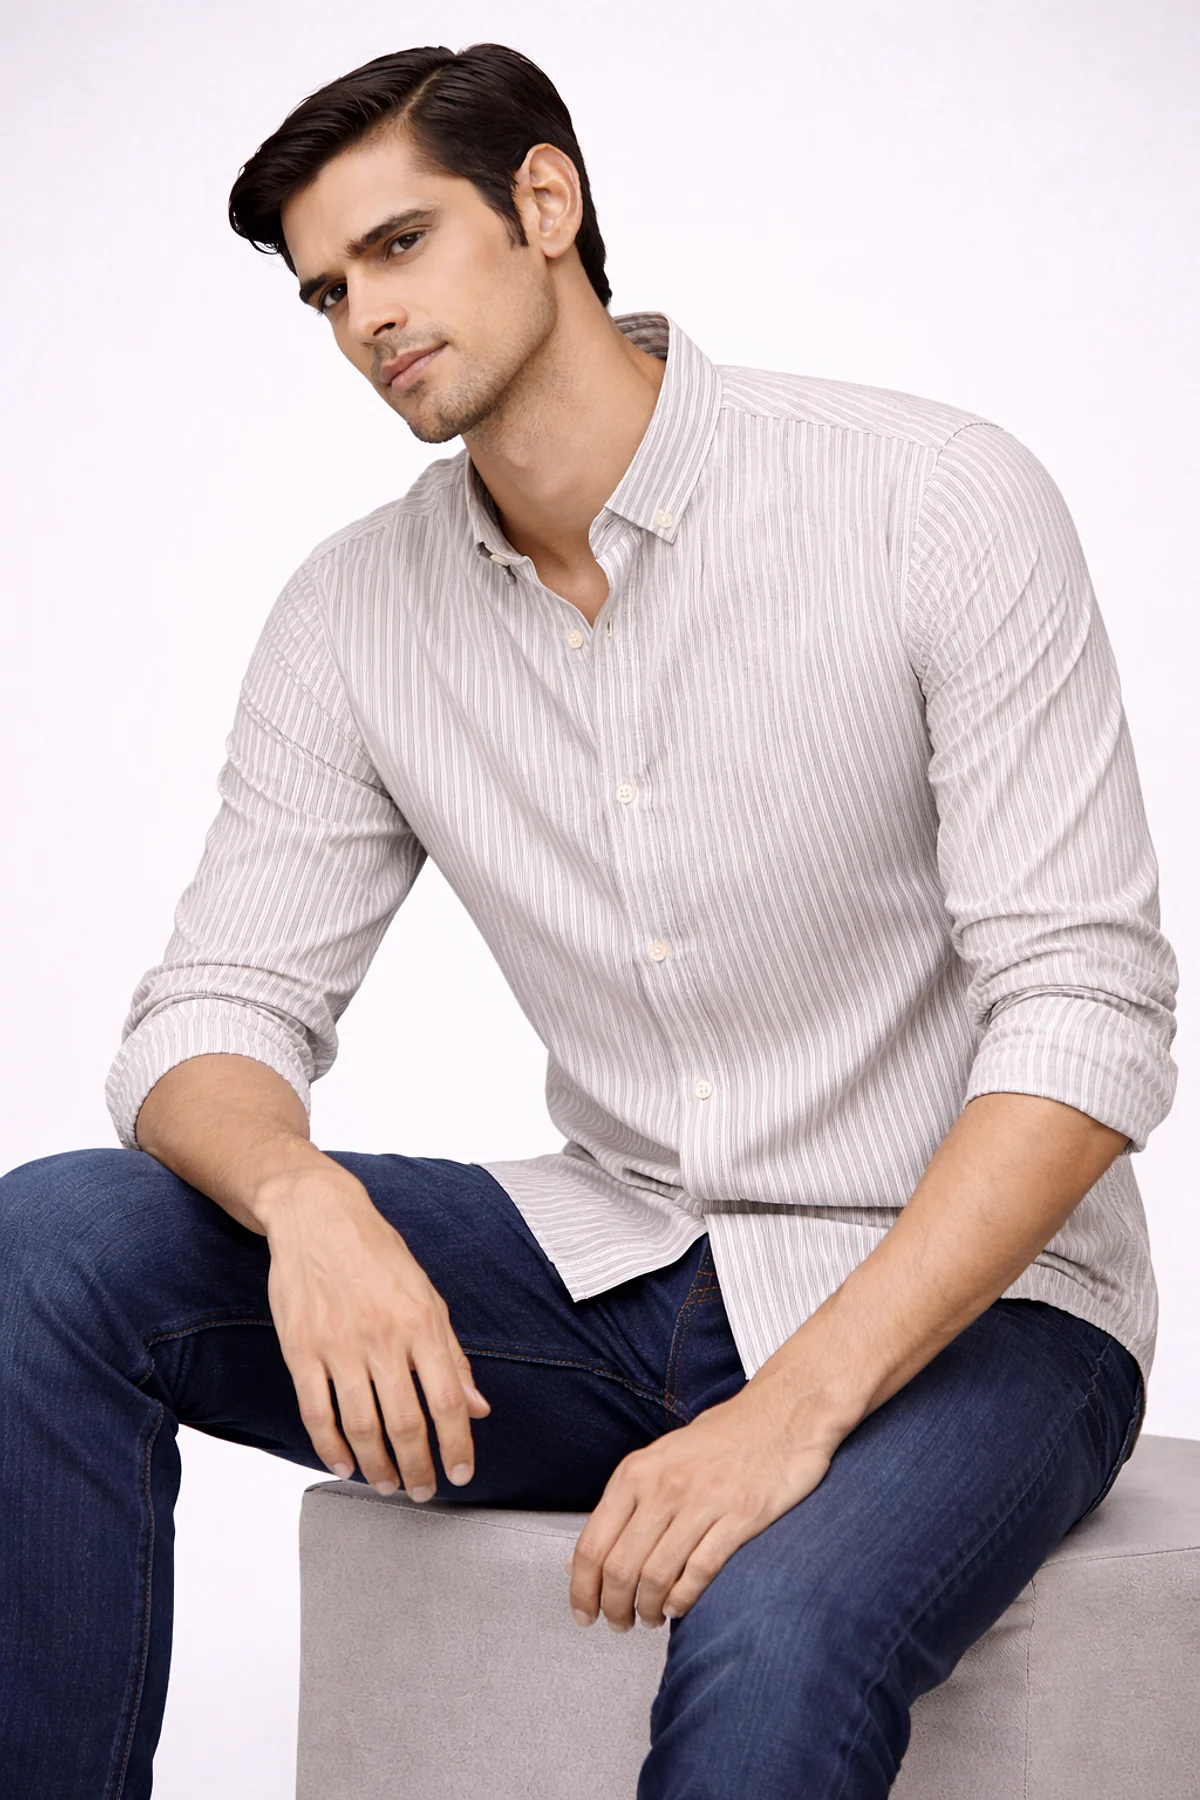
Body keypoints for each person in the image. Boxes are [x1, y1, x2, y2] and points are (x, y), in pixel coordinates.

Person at [0, 39, 1178, 1800]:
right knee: (52, 1250)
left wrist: (788, 1415)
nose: (365, 319)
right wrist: (302, 1198)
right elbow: (206, 1016)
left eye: (399, 245)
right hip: (619, 1269)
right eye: (326, 292)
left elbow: (1088, 1013)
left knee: (776, 1630)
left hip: (991, 1315)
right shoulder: (352, 613)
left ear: (545, 201)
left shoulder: (926, 499)